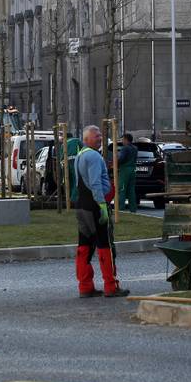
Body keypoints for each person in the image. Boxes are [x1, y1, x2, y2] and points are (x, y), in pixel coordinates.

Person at [74, 125, 129, 298]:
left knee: (84, 246)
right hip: (96, 206)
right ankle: (111, 286)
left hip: (82, 206)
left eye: (100, 135)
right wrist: (103, 206)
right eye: (96, 136)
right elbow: (96, 183)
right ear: (86, 139)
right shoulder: (93, 156)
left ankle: (85, 286)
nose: (99, 138)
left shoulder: (80, 155)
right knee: (105, 246)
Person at [116, 133, 138, 213]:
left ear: (126, 139)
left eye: (123, 139)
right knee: (131, 190)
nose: (122, 141)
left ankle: (120, 208)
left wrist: (116, 160)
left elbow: (121, 159)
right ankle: (133, 209)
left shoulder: (125, 148)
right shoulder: (135, 148)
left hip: (125, 170)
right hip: (133, 170)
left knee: (122, 189)